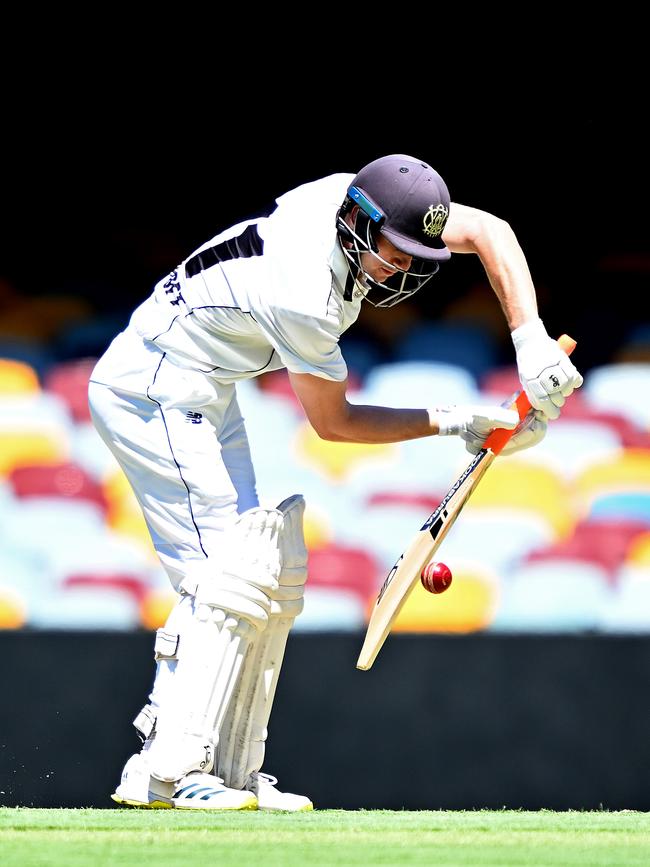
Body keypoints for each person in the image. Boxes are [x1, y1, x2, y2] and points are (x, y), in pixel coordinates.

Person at [88, 154, 583, 812]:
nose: (402, 268)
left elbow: (489, 229)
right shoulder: (306, 294)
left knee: (267, 569)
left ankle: (230, 771)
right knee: (223, 575)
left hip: (208, 386)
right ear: (357, 221)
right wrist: (458, 419)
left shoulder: (357, 198)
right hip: (152, 386)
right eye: (393, 251)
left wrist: (529, 340)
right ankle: (164, 768)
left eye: (417, 255)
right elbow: (335, 422)